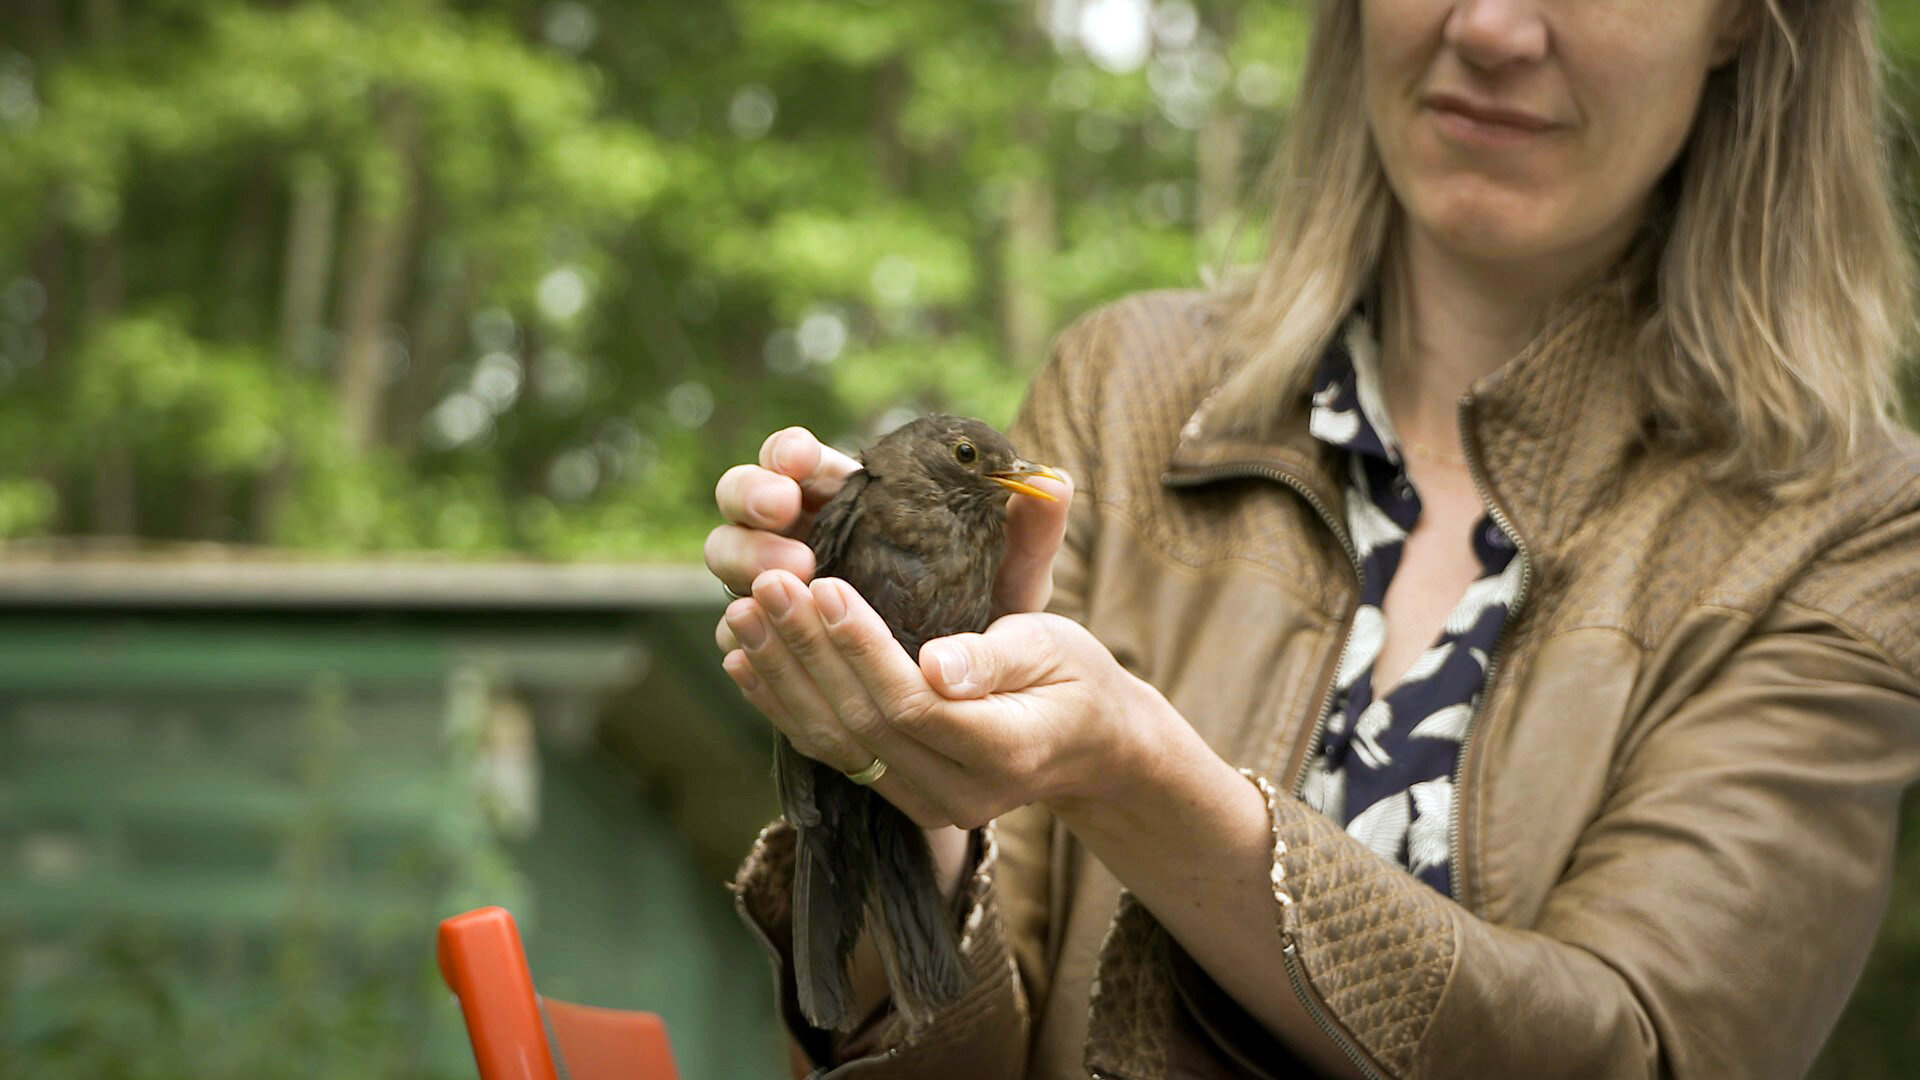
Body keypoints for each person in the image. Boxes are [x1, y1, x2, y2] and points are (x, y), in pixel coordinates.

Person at [704, 0, 1920, 1076]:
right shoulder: (1126, 394)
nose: (1491, 27)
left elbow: (1643, 1049)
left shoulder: (1858, 529)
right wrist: (893, 787)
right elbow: (954, 1041)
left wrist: (1142, 782)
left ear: (1746, 17)